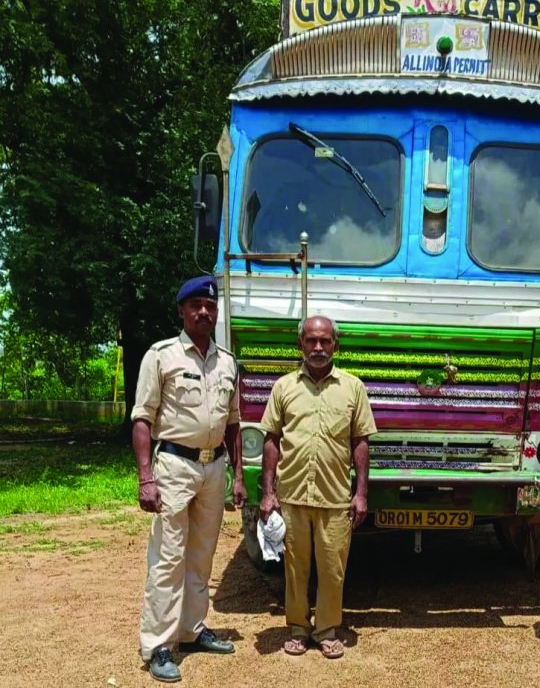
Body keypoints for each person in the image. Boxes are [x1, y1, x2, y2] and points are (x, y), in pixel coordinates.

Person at [132, 275, 247, 683]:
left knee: (201, 556)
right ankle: (159, 645)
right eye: (196, 305)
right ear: (181, 310)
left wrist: (237, 476)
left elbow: (233, 424)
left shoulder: (227, 361)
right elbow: (143, 419)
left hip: (214, 469)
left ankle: (192, 630)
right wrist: (146, 477)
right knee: (168, 558)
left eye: (210, 306)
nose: (204, 311)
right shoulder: (161, 356)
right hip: (174, 468)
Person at [259, 315, 376, 659]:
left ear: (335, 345)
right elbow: (271, 440)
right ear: (301, 344)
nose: (318, 347)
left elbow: (361, 442)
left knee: (332, 568)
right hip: (292, 494)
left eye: (325, 341)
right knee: (295, 568)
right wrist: (268, 493)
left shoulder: (353, 387)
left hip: (335, 496)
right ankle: (298, 628)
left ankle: (325, 630)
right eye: (311, 341)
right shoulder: (283, 387)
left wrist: (361, 493)